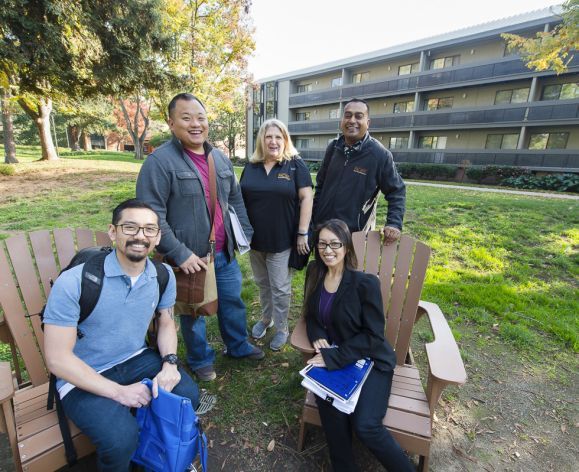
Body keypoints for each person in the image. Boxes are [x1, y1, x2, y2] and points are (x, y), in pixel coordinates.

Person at [43, 199, 199, 472]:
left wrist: (170, 363)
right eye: (130, 227)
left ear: (158, 237)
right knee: (120, 440)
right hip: (82, 374)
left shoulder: (162, 276)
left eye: (149, 229)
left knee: (188, 395)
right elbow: (57, 360)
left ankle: (153, 459)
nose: (140, 236)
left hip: (135, 358)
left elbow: (165, 323)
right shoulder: (76, 282)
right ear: (113, 232)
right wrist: (120, 393)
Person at [136, 93, 264, 383]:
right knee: (193, 311)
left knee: (233, 303)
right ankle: (199, 359)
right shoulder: (159, 163)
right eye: (186, 118)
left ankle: (238, 346)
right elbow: (151, 216)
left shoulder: (219, 157)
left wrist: (244, 231)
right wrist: (178, 253)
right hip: (189, 257)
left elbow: (235, 199)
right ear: (171, 123)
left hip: (224, 252)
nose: (196, 124)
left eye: (201, 117)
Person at [303, 219, 415, 472]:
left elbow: (373, 335)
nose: (327, 250)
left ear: (346, 248)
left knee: (366, 425)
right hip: (336, 358)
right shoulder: (315, 272)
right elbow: (310, 314)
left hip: (371, 359)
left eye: (334, 244)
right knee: (331, 406)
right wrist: (317, 333)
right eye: (322, 244)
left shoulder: (365, 284)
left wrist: (336, 356)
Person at [240, 119, 313, 351]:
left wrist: (302, 233)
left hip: (282, 240)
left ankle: (282, 328)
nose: (273, 141)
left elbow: (307, 199)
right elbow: (241, 200)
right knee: (263, 283)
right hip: (255, 241)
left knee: (280, 287)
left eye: (278, 137)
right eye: (268, 136)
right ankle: (266, 318)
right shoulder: (251, 166)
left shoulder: (294, 165)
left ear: (285, 140)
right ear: (262, 140)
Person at [312, 98, 406, 245]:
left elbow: (396, 191)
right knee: (323, 268)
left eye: (359, 116)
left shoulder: (379, 155)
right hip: (325, 230)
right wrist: (314, 219)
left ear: (368, 123)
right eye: (348, 115)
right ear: (342, 120)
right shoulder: (333, 148)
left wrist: (394, 223)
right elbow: (320, 186)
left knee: (350, 269)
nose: (352, 120)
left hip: (354, 236)